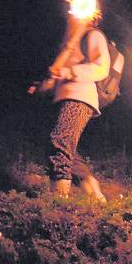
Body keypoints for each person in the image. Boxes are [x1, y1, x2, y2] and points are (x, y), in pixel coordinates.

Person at [42, 16, 110, 201]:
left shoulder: (93, 35)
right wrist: (47, 84)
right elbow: (57, 74)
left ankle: (58, 200)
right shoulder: (68, 43)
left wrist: (70, 72)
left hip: (80, 97)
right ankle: (95, 196)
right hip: (62, 98)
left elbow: (102, 67)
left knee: (60, 141)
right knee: (67, 149)